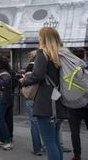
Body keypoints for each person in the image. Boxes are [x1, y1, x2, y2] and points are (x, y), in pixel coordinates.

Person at [21, 27, 68, 160]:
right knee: (55, 140)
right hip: (59, 101)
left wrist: (24, 81)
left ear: (44, 38)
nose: (38, 38)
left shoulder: (43, 53)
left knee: (49, 141)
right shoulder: (62, 54)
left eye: (39, 36)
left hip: (46, 102)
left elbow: (37, 75)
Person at [67, 48, 88, 160]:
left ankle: (77, 155)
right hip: (86, 104)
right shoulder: (85, 70)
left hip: (73, 106)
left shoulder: (67, 72)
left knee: (75, 133)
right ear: (84, 57)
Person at [24, 50, 44, 156]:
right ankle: (46, 145)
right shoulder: (45, 66)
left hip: (31, 97)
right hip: (43, 98)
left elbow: (26, 81)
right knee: (44, 122)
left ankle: (37, 148)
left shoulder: (30, 67)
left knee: (34, 123)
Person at [0, 55, 13, 150]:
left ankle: (7, 141)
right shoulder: (1, 72)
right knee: (0, 119)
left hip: (3, 99)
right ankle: (1, 139)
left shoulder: (4, 73)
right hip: (3, 99)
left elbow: (4, 83)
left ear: (1, 64)